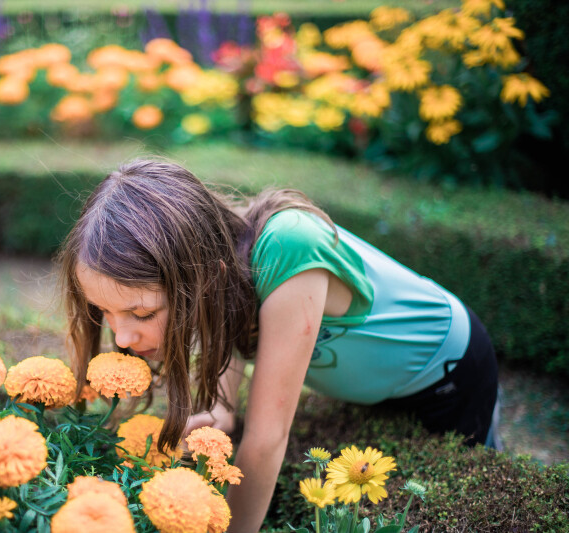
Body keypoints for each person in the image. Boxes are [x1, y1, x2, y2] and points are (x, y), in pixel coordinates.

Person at [58, 159, 499, 533]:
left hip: (451, 368)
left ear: (201, 275)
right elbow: (227, 317)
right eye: (104, 312)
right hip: (380, 384)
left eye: (141, 313)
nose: (122, 338)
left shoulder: (290, 247)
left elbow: (268, 438)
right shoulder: (224, 269)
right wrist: (223, 407)